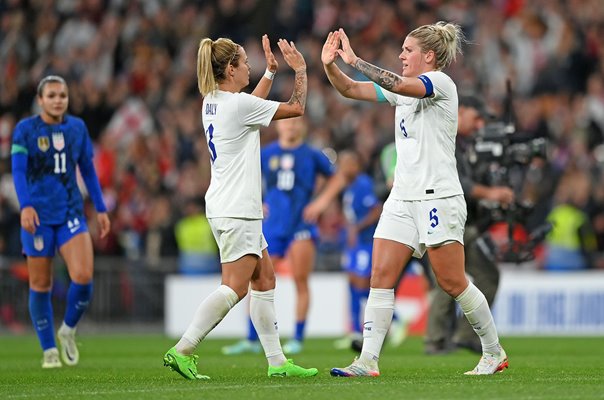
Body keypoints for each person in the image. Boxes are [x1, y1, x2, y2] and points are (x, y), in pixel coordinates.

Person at [320, 23, 509, 376]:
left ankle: (493, 351)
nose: (401, 55)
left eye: (408, 50)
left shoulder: (439, 83)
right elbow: (348, 89)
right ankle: (367, 361)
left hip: (439, 196)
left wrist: (356, 59)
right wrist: (331, 64)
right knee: (381, 274)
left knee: (452, 282)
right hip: (402, 199)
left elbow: (399, 83)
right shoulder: (403, 91)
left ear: (429, 56)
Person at [163, 35, 318, 380]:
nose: (251, 66)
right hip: (238, 209)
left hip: (223, 203)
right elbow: (296, 108)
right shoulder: (236, 106)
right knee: (234, 287)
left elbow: (249, 107)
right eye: (246, 62)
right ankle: (184, 348)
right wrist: (301, 70)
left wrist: (270, 75)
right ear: (230, 69)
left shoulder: (212, 101)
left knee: (265, 279)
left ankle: (278, 363)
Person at [11, 75, 111, 368]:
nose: (58, 100)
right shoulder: (25, 130)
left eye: (62, 95)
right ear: (40, 100)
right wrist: (26, 206)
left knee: (83, 276)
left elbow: (88, 171)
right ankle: (48, 350)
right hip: (38, 216)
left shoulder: (77, 128)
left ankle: (67, 329)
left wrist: (101, 208)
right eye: (52, 95)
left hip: (70, 212)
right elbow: (18, 172)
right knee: (41, 284)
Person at [221, 115, 335, 356]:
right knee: (257, 282)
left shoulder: (312, 155)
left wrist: (321, 202)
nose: (290, 125)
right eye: (286, 122)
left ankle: (298, 338)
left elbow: (337, 178)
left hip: (300, 225)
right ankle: (252, 339)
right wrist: (257, 201)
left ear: (302, 126)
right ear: (279, 125)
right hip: (272, 225)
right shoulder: (266, 153)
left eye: (295, 122)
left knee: (300, 281)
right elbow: (244, 176)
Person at [425, 94, 515, 355]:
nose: (479, 126)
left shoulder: (464, 145)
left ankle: (464, 334)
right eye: (476, 119)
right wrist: (490, 193)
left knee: (485, 276)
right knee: (448, 277)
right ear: (460, 111)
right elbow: (454, 180)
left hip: (461, 222)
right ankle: (436, 340)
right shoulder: (444, 137)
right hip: (440, 216)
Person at [333, 150, 383, 349]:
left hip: (366, 241)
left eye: (348, 164)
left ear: (356, 166)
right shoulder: (348, 187)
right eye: (342, 164)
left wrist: (357, 228)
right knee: (352, 283)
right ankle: (354, 330)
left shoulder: (363, 184)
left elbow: (376, 210)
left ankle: (393, 318)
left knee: (362, 284)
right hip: (354, 243)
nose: (344, 168)